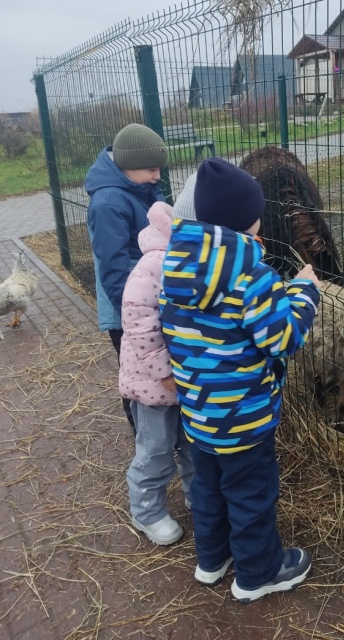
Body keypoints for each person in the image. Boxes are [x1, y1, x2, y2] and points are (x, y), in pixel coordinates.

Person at [159, 157, 321, 603]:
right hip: (246, 419)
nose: (261, 235)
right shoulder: (253, 277)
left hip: (200, 415)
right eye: (255, 226)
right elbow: (282, 338)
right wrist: (306, 292)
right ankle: (259, 572)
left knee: (209, 489)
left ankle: (211, 559)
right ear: (238, 229)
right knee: (251, 495)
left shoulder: (174, 270)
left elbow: (211, 325)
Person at [119, 198, 195, 546]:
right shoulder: (157, 262)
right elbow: (136, 317)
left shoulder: (194, 258)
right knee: (156, 448)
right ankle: (146, 511)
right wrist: (163, 368)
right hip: (154, 383)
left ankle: (200, 497)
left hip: (186, 380)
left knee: (192, 444)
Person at [85, 123, 168, 432]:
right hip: (128, 307)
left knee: (152, 366)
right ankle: (143, 434)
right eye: (151, 169)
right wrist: (131, 312)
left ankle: (163, 433)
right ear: (128, 166)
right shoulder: (108, 203)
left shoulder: (139, 186)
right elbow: (113, 265)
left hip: (145, 298)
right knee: (136, 370)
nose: (157, 175)